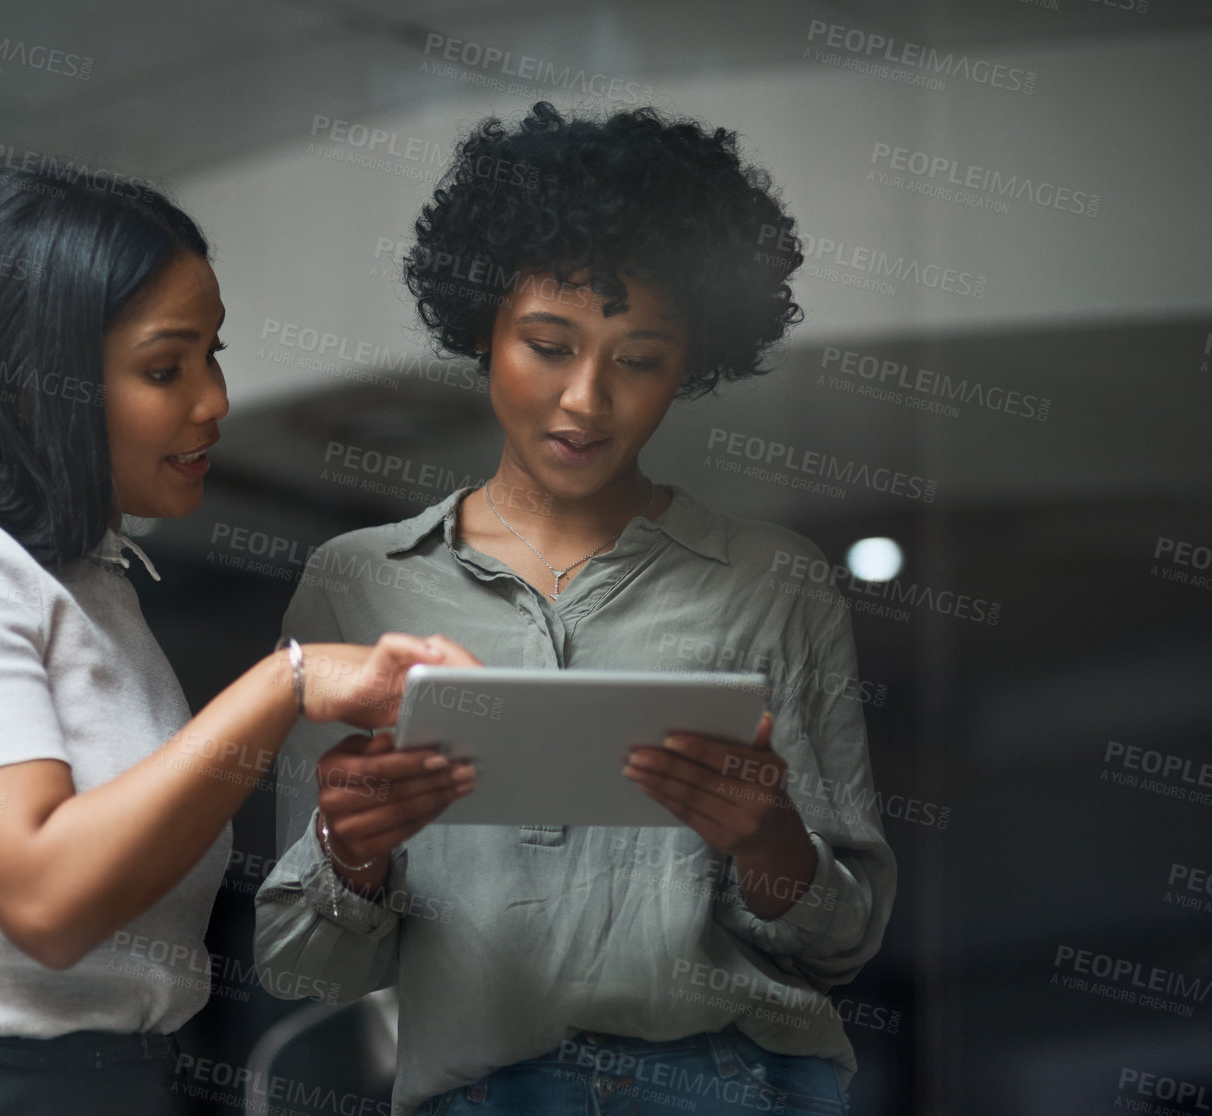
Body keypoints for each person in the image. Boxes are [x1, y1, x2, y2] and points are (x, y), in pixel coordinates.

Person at [0, 169, 479, 1115]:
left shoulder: (96, 588)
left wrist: (347, 837)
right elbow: (47, 900)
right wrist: (284, 686)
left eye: (212, 355)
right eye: (165, 368)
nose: (214, 400)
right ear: (29, 385)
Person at [254, 102, 897, 1116]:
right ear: (481, 329)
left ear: (694, 363)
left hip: (733, 1087)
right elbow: (301, 968)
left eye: (637, 359)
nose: (585, 400)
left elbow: (838, 946)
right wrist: (352, 850)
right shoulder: (357, 583)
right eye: (547, 345)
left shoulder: (773, 580)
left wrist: (767, 840)